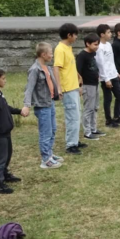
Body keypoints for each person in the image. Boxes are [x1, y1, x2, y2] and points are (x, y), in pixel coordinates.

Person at [23, 43, 64, 168]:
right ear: (43, 54)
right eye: (50, 53)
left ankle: (50, 154)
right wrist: (26, 105)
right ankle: (45, 160)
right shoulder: (35, 69)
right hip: (42, 106)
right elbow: (29, 89)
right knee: (45, 133)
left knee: (52, 130)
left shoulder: (47, 67)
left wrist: (57, 93)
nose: (52, 55)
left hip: (49, 102)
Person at [53, 23, 87, 153]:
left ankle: (75, 140)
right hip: (67, 88)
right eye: (75, 35)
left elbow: (70, 66)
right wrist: (59, 88)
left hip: (73, 86)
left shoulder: (68, 48)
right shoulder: (60, 49)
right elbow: (57, 68)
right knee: (72, 117)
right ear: (69, 35)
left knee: (77, 115)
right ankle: (70, 145)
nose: (76, 37)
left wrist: (78, 77)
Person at [95, 24, 120, 129]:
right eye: (108, 32)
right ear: (102, 34)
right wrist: (106, 79)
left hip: (113, 75)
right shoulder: (99, 47)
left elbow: (111, 61)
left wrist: (116, 73)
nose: (110, 34)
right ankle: (108, 120)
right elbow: (101, 64)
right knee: (108, 99)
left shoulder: (108, 45)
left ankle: (117, 117)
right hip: (105, 77)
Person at [76, 33, 105, 142]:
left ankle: (93, 128)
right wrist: (79, 86)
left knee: (95, 107)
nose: (97, 47)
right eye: (95, 44)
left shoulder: (93, 54)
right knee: (88, 108)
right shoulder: (82, 55)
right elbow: (77, 71)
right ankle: (87, 132)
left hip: (95, 84)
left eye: (98, 44)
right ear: (87, 44)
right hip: (87, 85)